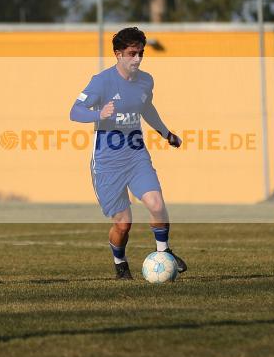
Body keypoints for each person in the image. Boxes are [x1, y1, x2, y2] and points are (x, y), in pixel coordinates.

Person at [69, 27, 186, 279]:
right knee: (123, 224)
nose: (138, 58)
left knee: (156, 204)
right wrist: (98, 114)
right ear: (118, 54)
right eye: (132, 53)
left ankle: (164, 252)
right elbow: (74, 111)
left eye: (141, 53)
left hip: (136, 155)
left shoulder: (146, 81)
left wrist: (166, 133)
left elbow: (147, 108)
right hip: (107, 163)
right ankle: (120, 264)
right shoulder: (101, 81)